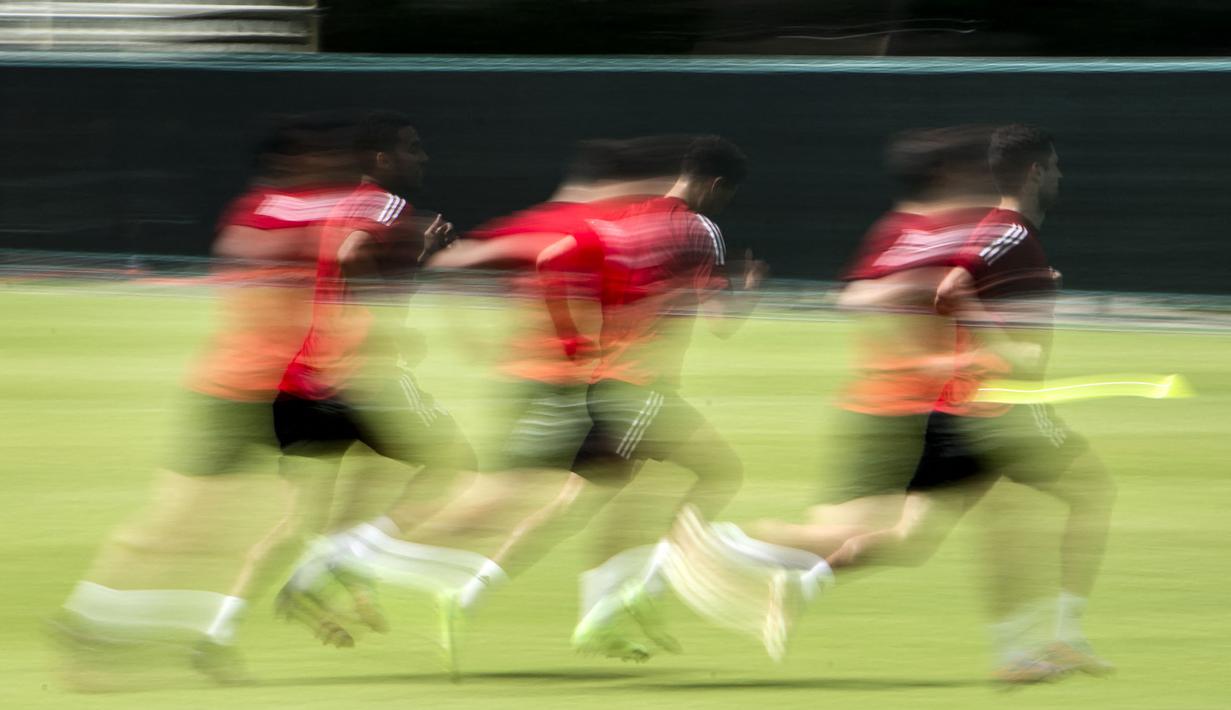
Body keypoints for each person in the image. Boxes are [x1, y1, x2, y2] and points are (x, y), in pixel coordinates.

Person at [51, 114, 358, 687]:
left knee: (302, 515)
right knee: (177, 524)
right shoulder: (265, 214)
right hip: (240, 392)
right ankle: (88, 620)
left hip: (290, 391)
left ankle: (212, 631)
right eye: (320, 159)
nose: (332, 167)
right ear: (293, 165)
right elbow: (248, 251)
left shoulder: (315, 213)